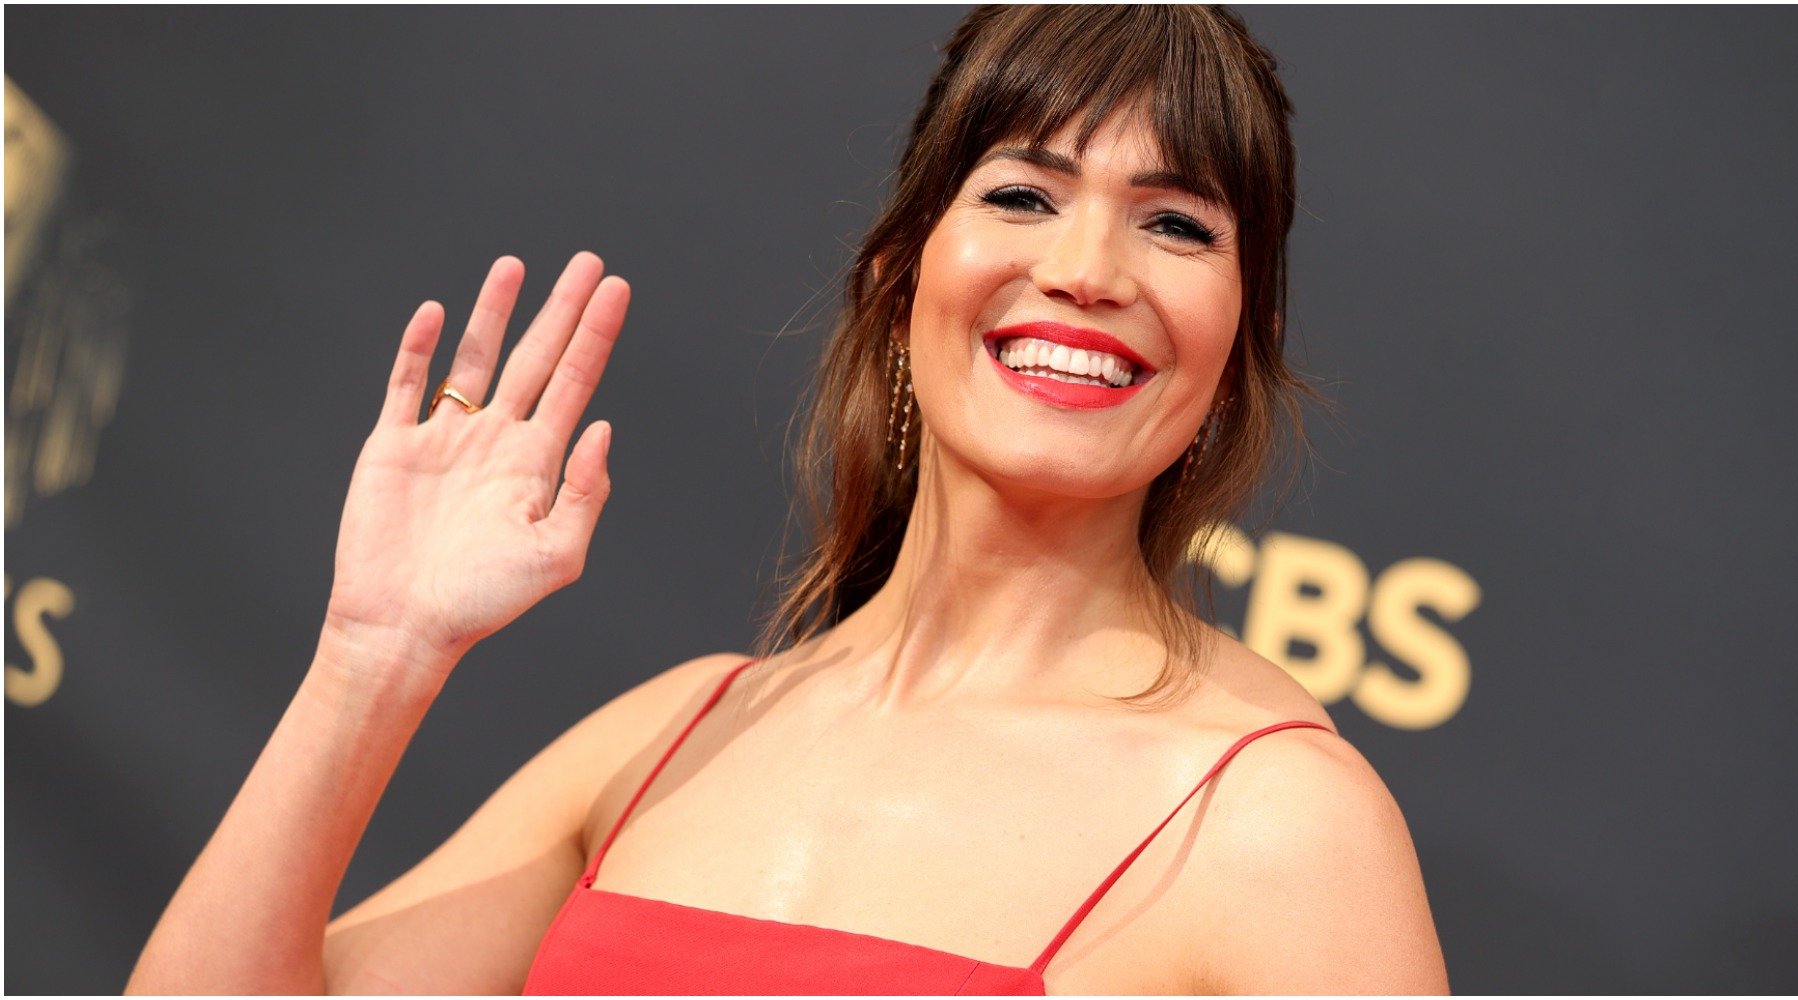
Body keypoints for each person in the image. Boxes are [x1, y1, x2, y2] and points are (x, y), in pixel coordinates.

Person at [127, 6, 1448, 995]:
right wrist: (374, 658)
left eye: (1177, 226)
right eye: (1023, 194)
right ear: (898, 278)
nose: (1089, 268)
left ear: (1236, 344)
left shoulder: (1283, 826)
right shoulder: (675, 736)